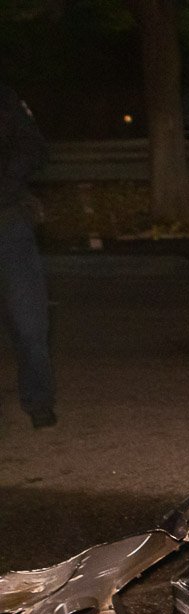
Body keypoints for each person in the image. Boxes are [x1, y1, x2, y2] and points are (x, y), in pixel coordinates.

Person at [0, 83, 54, 429]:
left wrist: (7, 183)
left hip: (8, 224)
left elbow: (34, 147)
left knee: (30, 322)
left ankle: (38, 400)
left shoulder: (4, 97)